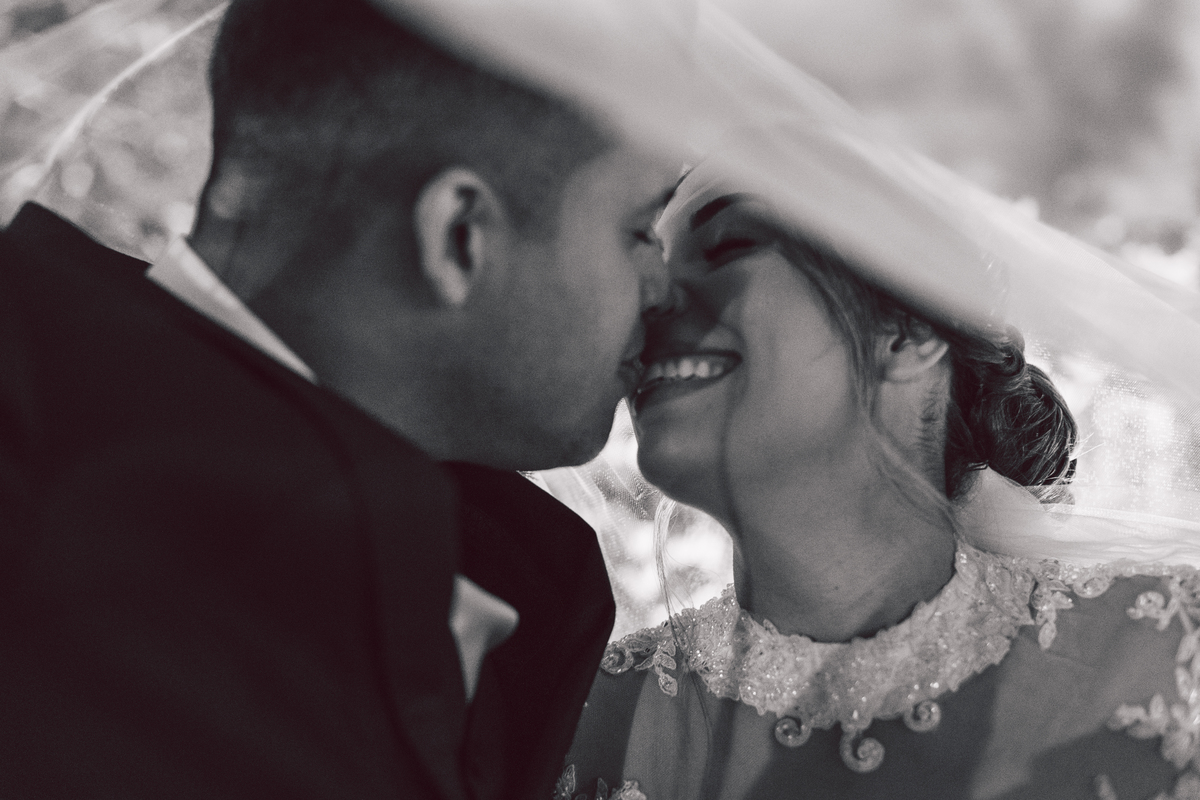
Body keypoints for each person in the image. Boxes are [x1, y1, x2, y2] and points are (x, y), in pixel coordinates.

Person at [0, 0, 681, 797]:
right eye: (639, 230)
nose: (667, 288)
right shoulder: (39, 535)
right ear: (459, 237)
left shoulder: (508, 561)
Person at [562, 147, 1200, 799]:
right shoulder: (590, 732)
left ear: (905, 328)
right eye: (647, 256)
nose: (649, 297)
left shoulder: (1170, 649)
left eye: (729, 245)